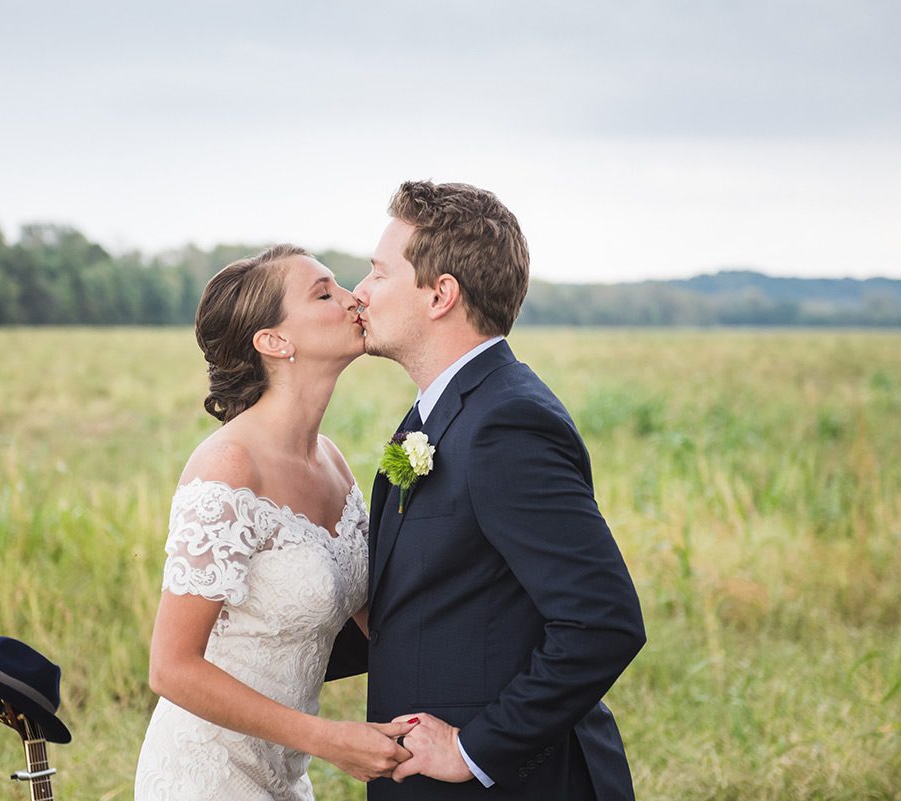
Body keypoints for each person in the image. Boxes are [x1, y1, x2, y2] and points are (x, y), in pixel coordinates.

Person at [332, 180, 646, 800]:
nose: (360, 293)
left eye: (378, 273)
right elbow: (427, 601)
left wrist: (476, 749)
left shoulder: (506, 424)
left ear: (440, 295)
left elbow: (602, 620)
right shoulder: (438, 413)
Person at [134, 245, 416, 800]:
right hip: (204, 776)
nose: (353, 296)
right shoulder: (228, 467)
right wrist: (330, 740)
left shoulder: (332, 463)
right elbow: (170, 668)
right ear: (275, 341)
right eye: (324, 292)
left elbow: (375, 621)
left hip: (284, 776)